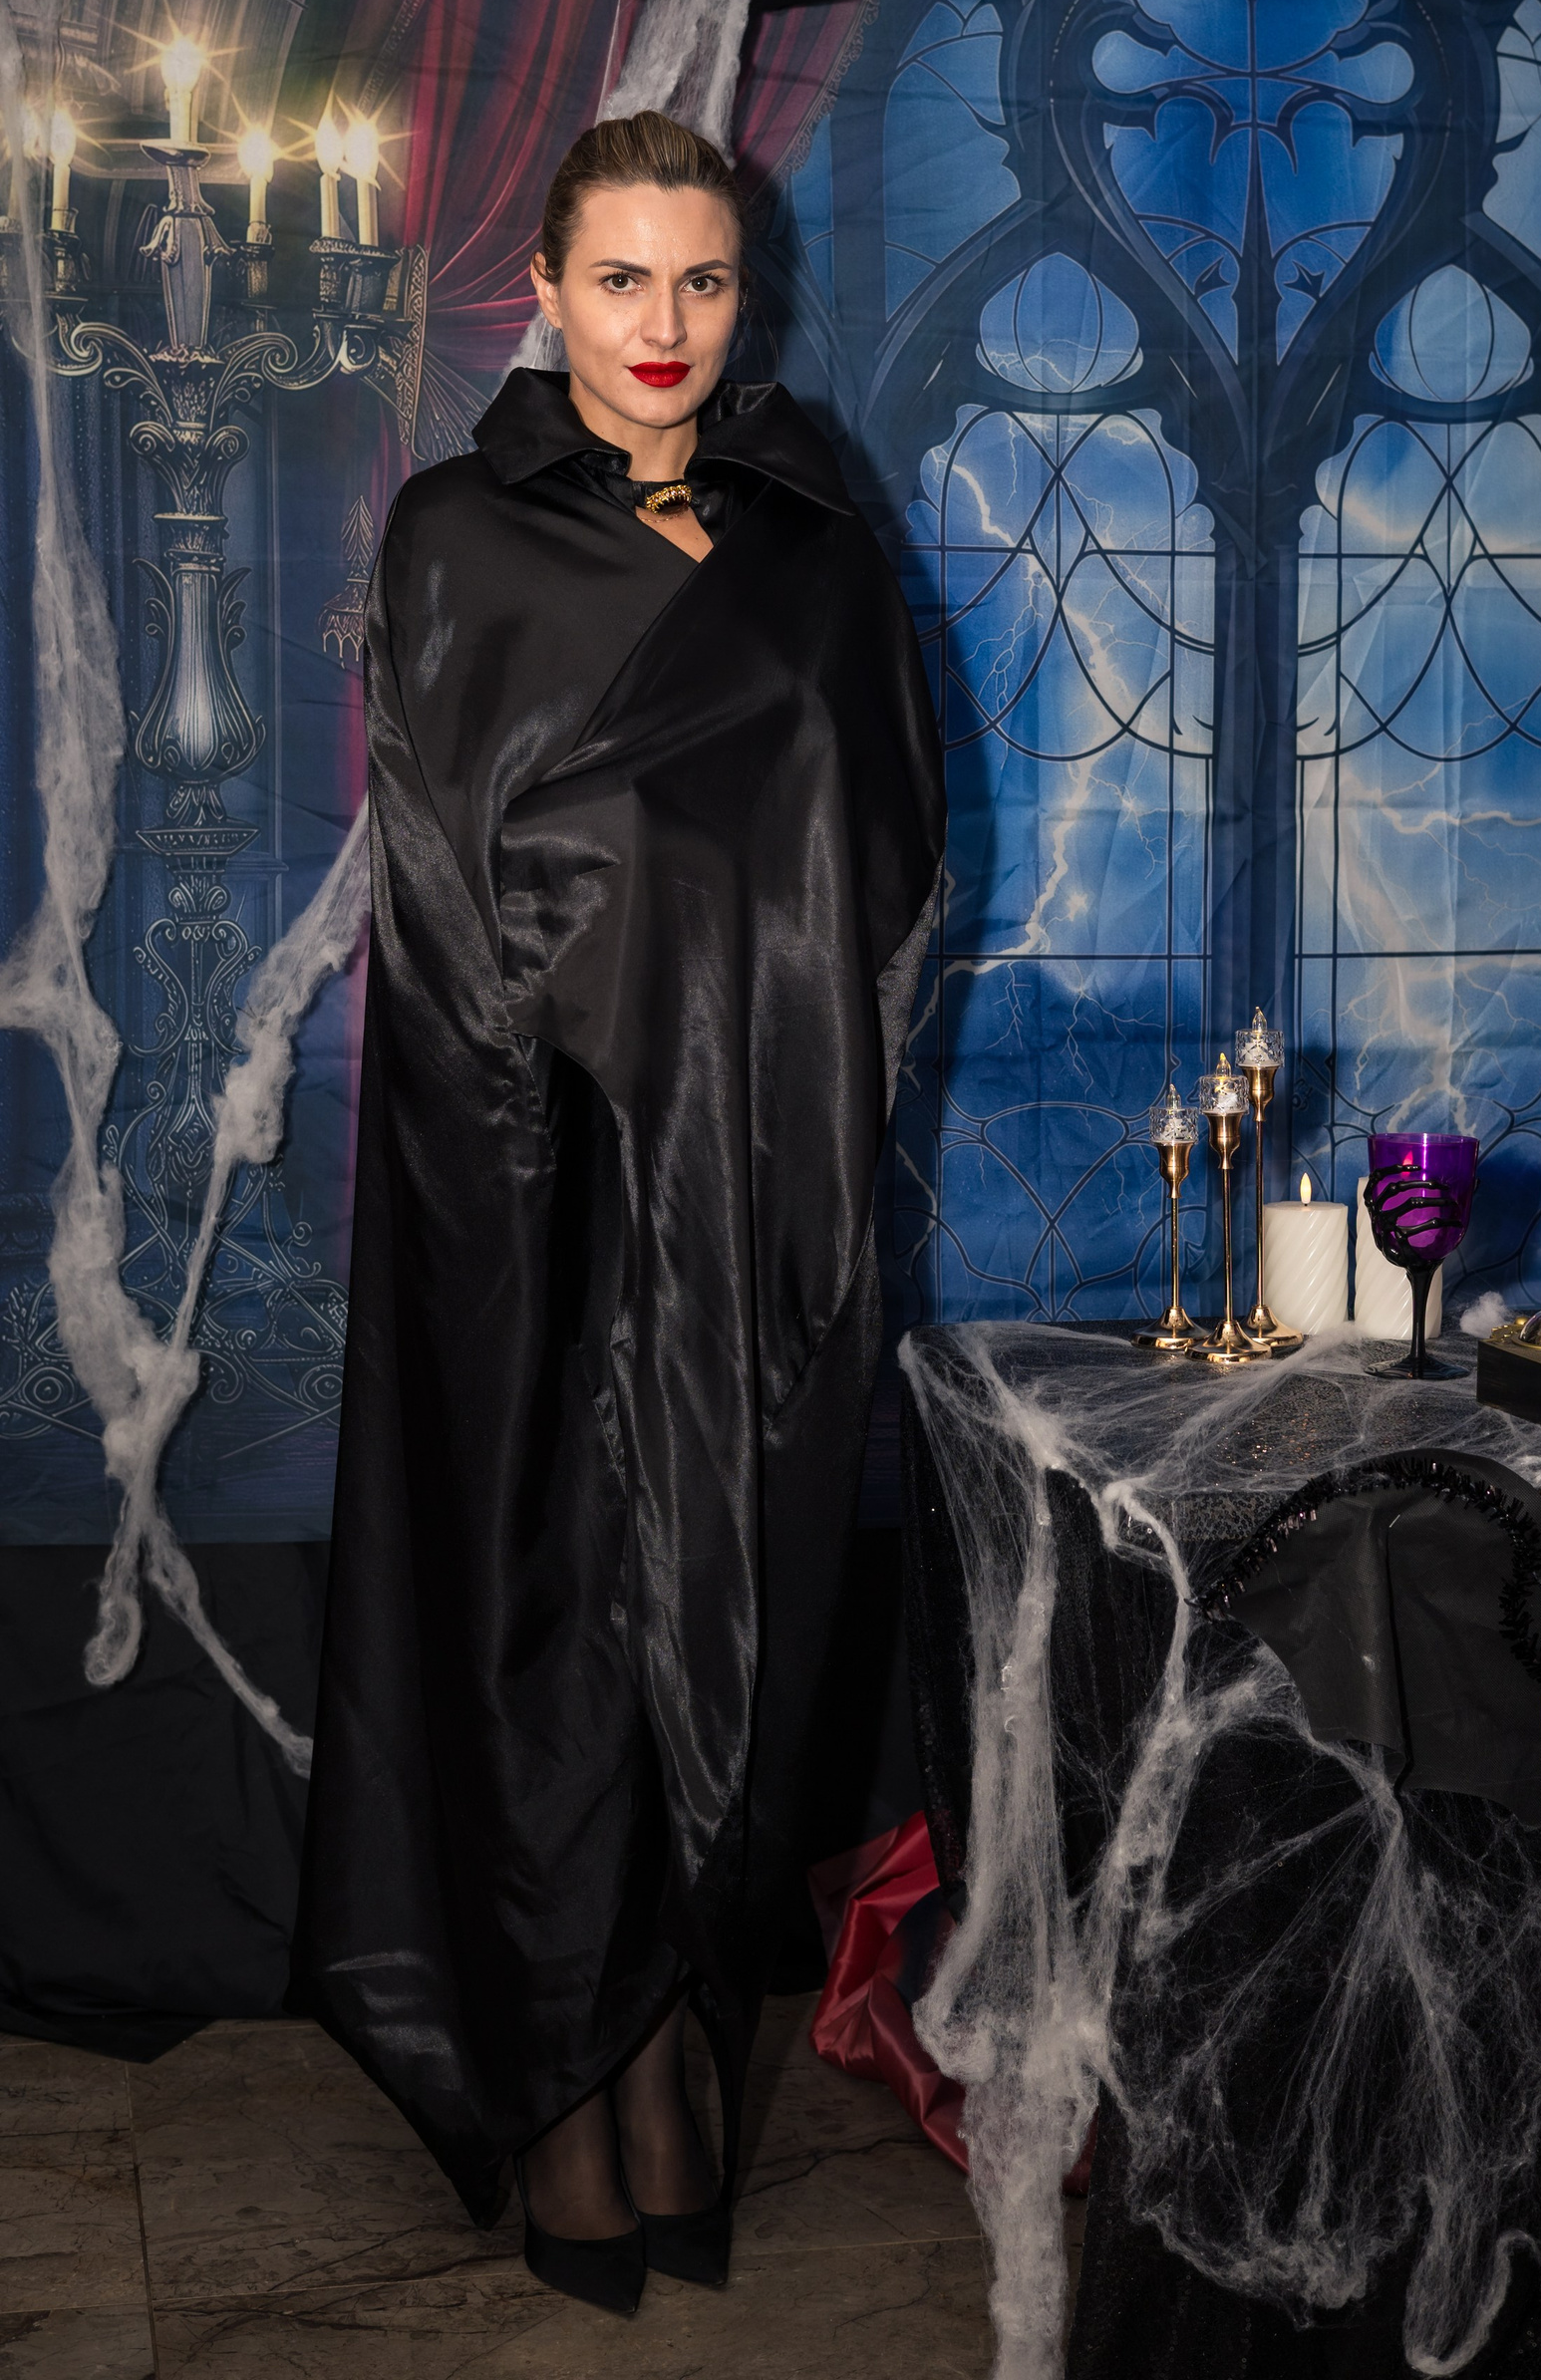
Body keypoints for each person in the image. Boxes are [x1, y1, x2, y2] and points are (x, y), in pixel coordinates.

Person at [296, 112, 945, 2317]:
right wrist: (552, 1114)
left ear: (742, 299)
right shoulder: (459, 534)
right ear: (547, 294)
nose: (664, 327)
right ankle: (562, 2084)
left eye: (705, 283)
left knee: (728, 1624)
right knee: (555, 1627)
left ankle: (670, 2054)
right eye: (623, 281)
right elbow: (436, 874)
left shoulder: (814, 535)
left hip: (760, 1171)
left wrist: (799, 1096)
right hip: (530, 1168)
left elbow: (890, 851)